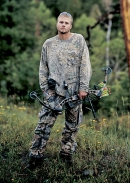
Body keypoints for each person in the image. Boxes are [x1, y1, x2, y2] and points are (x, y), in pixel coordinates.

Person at [27, 11, 91, 169]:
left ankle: (66, 153)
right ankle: (36, 155)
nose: (63, 25)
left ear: (71, 25)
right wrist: (45, 90)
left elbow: (85, 65)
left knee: (72, 124)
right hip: (53, 90)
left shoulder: (79, 40)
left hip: (74, 90)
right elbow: (43, 68)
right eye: (61, 22)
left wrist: (83, 87)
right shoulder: (49, 43)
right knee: (44, 123)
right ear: (57, 24)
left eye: (66, 23)